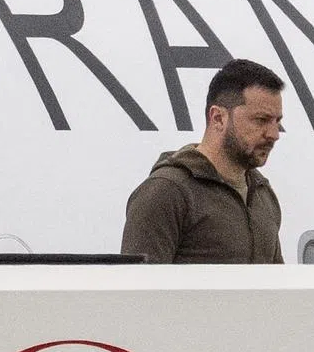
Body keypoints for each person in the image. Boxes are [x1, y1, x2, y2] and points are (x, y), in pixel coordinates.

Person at [121, 59, 285, 264]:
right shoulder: (166, 192)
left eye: (277, 122)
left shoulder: (262, 194)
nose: (274, 134)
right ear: (218, 118)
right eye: (261, 120)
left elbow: (277, 291)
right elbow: (137, 291)